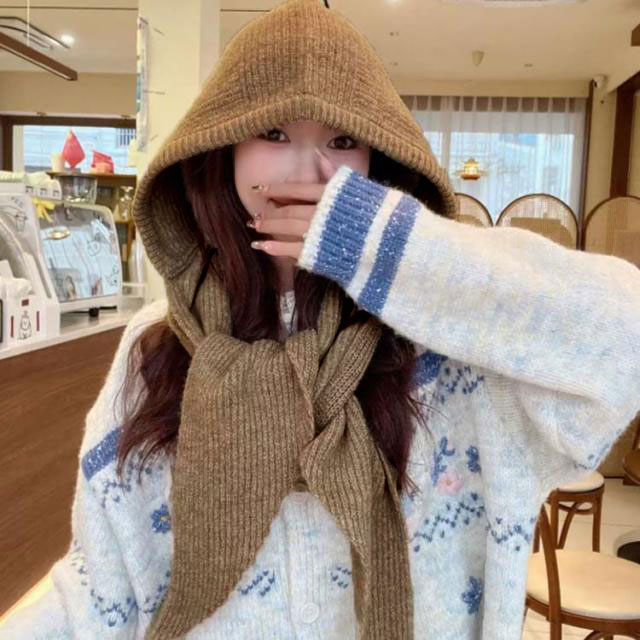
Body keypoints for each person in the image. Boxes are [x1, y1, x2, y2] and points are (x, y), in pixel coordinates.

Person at [3, 0, 640, 638]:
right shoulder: (159, 346)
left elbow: (625, 335)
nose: (306, 171)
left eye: (342, 142)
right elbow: (98, 588)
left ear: (377, 163)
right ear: (223, 150)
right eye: (273, 133)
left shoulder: (446, 351)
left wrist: (395, 250)